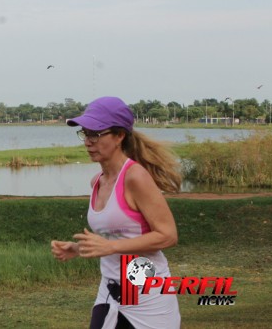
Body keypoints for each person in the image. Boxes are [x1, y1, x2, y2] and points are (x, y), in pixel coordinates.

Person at [51, 96, 181, 329]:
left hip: (147, 296)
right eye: (85, 133)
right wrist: (78, 249)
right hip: (111, 291)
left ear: (120, 136)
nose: (88, 142)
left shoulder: (135, 177)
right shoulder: (97, 182)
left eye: (96, 134)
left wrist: (110, 248)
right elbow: (117, 237)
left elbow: (168, 235)